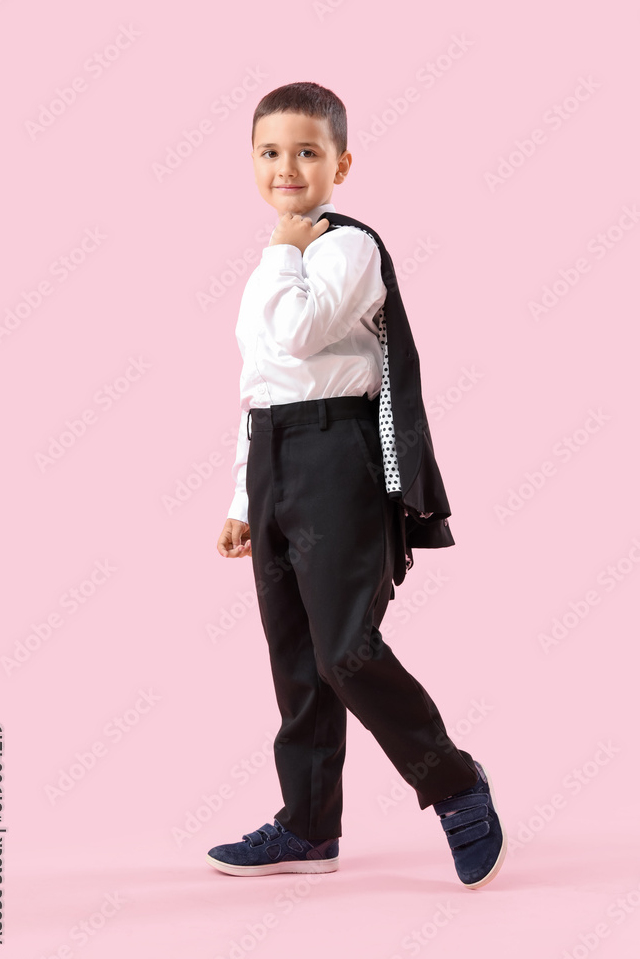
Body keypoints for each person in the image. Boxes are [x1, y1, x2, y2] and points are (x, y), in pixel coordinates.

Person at [209, 82, 506, 888]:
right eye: (270, 152)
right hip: (275, 453)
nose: (288, 167)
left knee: (347, 649)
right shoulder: (272, 261)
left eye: (307, 151)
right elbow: (260, 380)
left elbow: (302, 332)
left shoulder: (345, 247)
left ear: (340, 162)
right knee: (297, 655)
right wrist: (244, 498)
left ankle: (453, 785)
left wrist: (282, 247)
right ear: (252, 161)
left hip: (338, 455)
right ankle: (306, 826)